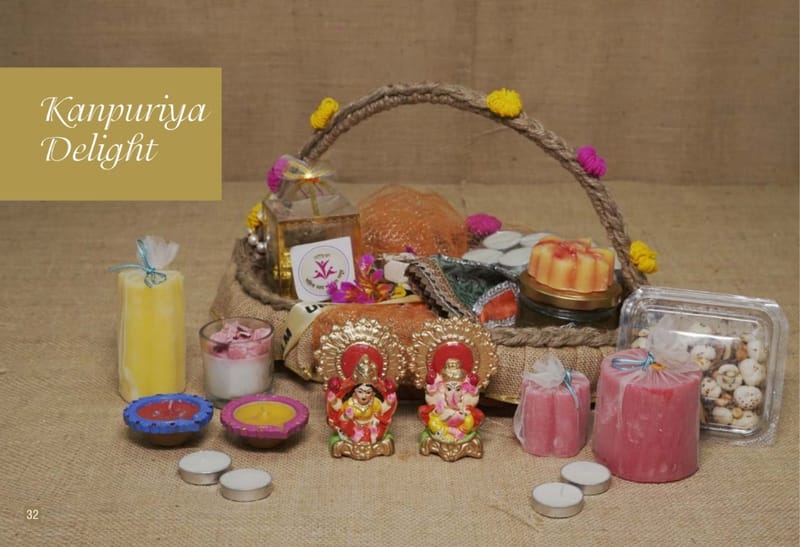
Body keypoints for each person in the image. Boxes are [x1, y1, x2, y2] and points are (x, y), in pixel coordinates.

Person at [326, 355, 397, 445]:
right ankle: (354, 438)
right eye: (360, 392)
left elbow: (383, 409)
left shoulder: (374, 402)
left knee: (378, 431)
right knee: (345, 425)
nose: (364, 395)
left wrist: (389, 401)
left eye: (368, 392)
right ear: (354, 392)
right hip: (354, 427)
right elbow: (339, 412)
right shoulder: (350, 403)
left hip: (370, 426)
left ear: (373, 394)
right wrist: (335, 402)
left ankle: (371, 438)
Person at [419, 357, 484, 443]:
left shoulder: (464, 400)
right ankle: (449, 432)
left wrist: (465, 413)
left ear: (463, 389)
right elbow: (434, 414)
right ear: (442, 388)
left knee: (469, 420)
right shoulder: (440, 400)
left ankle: (459, 432)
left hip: (459, 424)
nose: (453, 393)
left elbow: (468, 412)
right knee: (432, 423)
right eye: (449, 389)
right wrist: (437, 413)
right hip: (443, 424)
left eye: (458, 389)